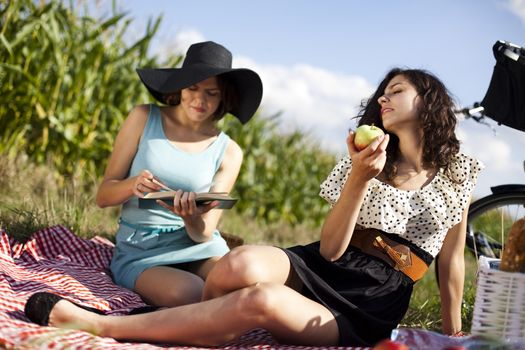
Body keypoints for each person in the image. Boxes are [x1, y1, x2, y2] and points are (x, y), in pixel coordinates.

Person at [24, 68, 483, 347]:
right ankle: (197, 327)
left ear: (429, 102)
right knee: (238, 263)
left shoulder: (459, 172)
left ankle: (108, 328)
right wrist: (360, 179)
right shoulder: (365, 162)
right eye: (382, 91)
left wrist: (451, 329)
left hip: (368, 304)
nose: (383, 97)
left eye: (397, 90)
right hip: (328, 264)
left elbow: (451, 261)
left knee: (257, 300)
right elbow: (329, 250)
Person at [92, 41, 262, 307]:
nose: (199, 99)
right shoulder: (143, 117)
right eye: (192, 87)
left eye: (211, 93)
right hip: (141, 248)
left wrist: (191, 217)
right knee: (191, 293)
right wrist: (132, 185)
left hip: (197, 246)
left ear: (223, 97)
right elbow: (103, 196)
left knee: (241, 286)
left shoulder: (229, 151)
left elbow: (204, 233)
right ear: (180, 86)